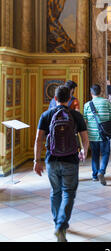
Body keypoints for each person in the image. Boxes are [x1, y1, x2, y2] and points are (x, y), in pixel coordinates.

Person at [33, 85, 89, 242]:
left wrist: (36, 161)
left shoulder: (46, 115)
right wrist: (84, 151)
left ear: (55, 99)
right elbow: (85, 137)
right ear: (70, 98)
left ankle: (57, 221)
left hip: (52, 159)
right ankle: (61, 225)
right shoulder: (76, 115)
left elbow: (38, 139)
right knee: (68, 193)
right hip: (71, 159)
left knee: (55, 191)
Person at [83, 84, 111, 185]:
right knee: (106, 153)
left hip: (92, 134)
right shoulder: (107, 103)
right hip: (105, 134)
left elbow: (85, 120)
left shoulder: (87, 105)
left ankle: (94, 175)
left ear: (91, 93)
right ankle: (101, 171)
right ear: (101, 92)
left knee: (95, 155)